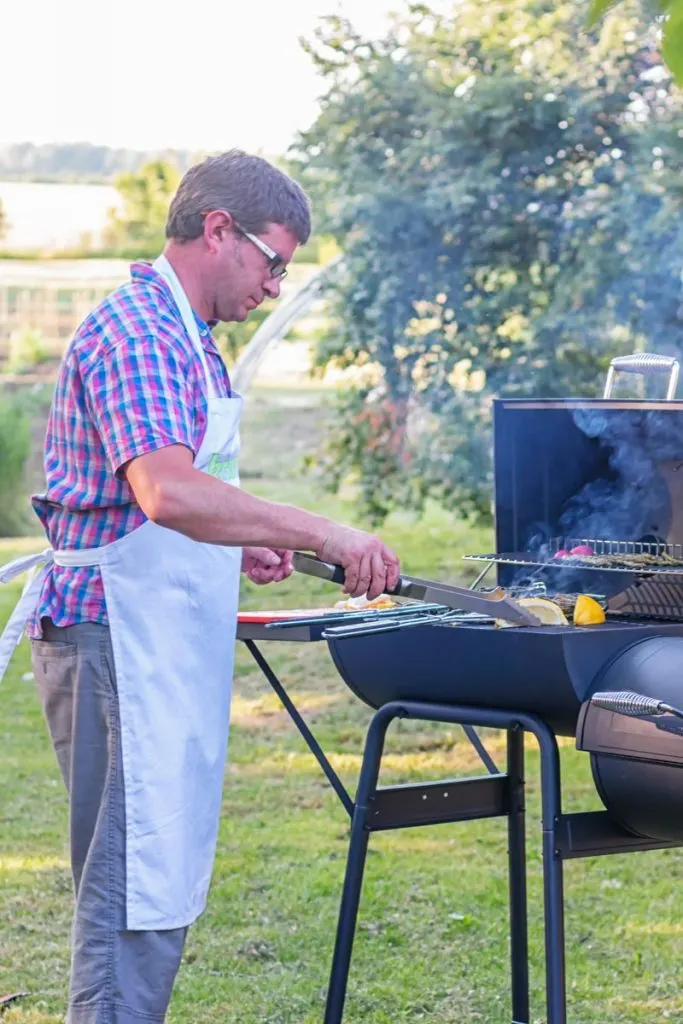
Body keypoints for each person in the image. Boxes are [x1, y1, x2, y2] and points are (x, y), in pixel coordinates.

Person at [0, 150, 400, 1024]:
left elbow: (190, 495)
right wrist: (320, 529)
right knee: (129, 891)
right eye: (272, 261)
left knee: (160, 877)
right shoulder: (141, 331)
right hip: (116, 638)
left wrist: (248, 541)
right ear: (219, 230)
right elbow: (166, 491)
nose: (273, 283)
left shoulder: (188, 339)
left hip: (160, 639)